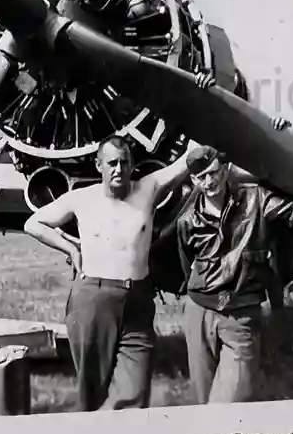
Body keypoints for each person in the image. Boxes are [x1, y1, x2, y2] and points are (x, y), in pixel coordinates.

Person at [23, 73, 217, 411]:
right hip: (93, 300)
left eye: (124, 163)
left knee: (135, 390)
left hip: (138, 301)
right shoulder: (80, 199)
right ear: (99, 166)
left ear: (132, 165)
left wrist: (199, 93)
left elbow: (191, 157)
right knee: (92, 392)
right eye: (111, 163)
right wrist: (71, 248)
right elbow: (33, 222)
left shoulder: (149, 189)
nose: (118, 169)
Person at [175, 120, 293, 405]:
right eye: (201, 177)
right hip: (199, 312)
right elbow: (188, 265)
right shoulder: (186, 221)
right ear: (192, 181)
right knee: (203, 404)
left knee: (226, 405)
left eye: (214, 172)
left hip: (241, 314)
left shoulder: (257, 200)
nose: (209, 181)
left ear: (225, 169)